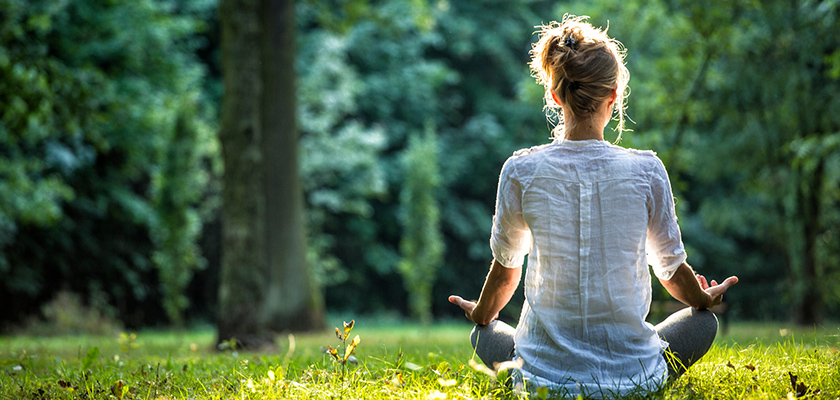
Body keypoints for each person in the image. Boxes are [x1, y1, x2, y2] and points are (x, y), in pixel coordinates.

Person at [448, 15, 738, 398]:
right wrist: (703, 298)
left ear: (555, 95)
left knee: (482, 333)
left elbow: (505, 275)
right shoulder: (646, 170)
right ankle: (636, 378)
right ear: (613, 95)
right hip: (633, 377)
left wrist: (482, 313)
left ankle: (537, 369)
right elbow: (670, 271)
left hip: (541, 381)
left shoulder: (520, 170)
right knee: (704, 325)